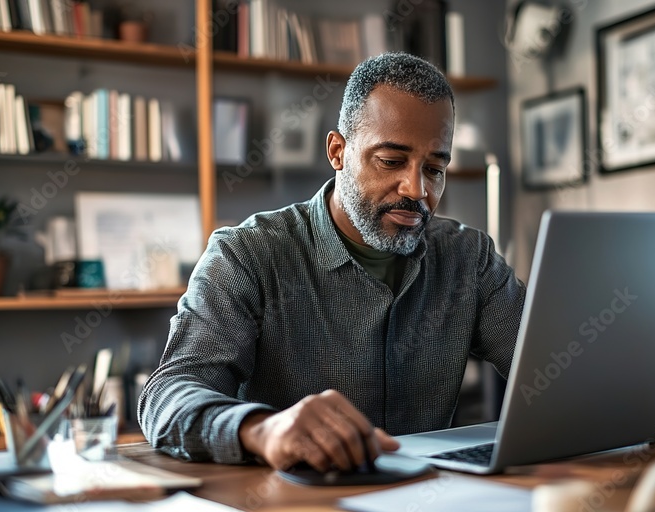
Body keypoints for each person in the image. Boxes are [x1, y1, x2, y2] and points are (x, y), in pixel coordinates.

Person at [139, 52, 525, 473]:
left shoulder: (469, 258)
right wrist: (262, 429)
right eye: (391, 161)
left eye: (434, 168)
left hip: (429, 503)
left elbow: (557, 370)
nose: (417, 189)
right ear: (338, 151)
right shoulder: (248, 254)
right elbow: (169, 394)